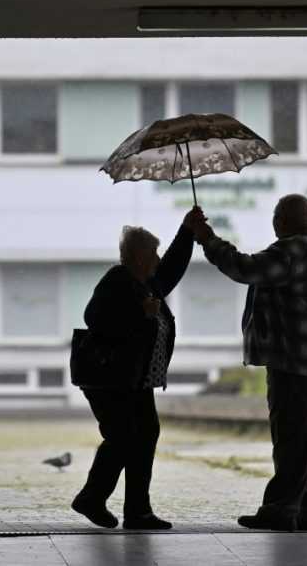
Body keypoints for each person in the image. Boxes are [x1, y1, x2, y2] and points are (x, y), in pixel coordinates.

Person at [192, 194, 307, 532]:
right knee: (306, 437)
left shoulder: (292, 251)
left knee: (291, 435)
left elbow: (245, 268)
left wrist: (207, 239)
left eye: (277, 215)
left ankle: (280, 509)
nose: (274, 222)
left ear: (286, 220)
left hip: (292, 357)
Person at [72, 206, 206, 530]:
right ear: (137, 256)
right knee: (124, 437)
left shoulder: (147, 283)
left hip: (135, 380)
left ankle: (137, 511)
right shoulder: (118, 280)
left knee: (144, 435)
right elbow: (96, 319)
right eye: (153, 252)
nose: (158, 258)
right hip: (111, 380)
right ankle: (92, 498)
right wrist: (140, 314)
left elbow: (171, 268)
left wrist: (187, 231)